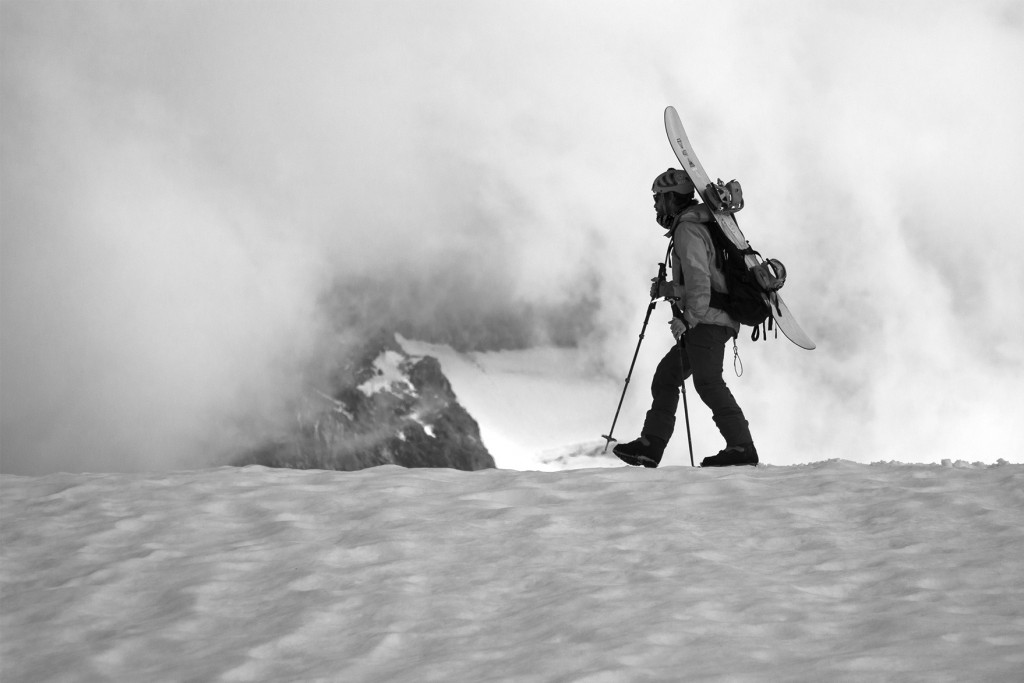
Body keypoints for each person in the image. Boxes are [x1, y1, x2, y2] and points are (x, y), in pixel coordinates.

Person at [613, 168, 758, 468]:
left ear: (671, 199)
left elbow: (700, 282)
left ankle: (742, 448)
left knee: (707, 383)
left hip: (706, 321)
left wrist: (688, 319)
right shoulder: (697, 224)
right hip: (712, 319)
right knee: (666, 378)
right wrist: (668, 288)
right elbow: (702, 279)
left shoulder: (687, 229)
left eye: (658, 199)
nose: (655, 205)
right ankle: (651, 446)